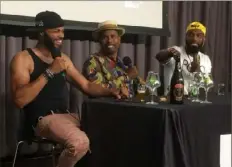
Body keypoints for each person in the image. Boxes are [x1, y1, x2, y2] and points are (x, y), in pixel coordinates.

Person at [10, 11, 121, 167]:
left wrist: (111, 90)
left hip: (67, 117)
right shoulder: (23, 58)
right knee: (79, 142)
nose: (61, 35)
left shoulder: (63, 59)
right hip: (42, 120)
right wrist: (49, 72)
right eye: (56, 31)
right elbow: (19, 100)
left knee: (107, 133)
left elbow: (86, 86)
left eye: (62, 30)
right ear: (42, 33)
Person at [82, 20, 144, 97]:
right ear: (99, 41)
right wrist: (127, 77)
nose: (109, 41)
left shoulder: (120, 63)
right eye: (105, 37)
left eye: (113, 36)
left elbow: (140, 89)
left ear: (119, 40)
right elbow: (96, 89)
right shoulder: (92, 61)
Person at [156, 21, 212, 95]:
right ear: (186, 37)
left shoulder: (206, 59)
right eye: (191, 35)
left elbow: (206, 86)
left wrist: (197, 70)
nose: (194, 39)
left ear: (203, 40)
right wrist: (169, 53)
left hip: (195, 101)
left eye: (198, 36)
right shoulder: (176, 50)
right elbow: (159, 56)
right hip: (173, 100)